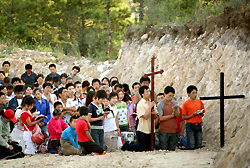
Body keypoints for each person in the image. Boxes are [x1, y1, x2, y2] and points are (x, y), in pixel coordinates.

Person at [157, 86, 180, 151]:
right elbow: (160, 118)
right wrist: (172, 116)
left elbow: (178, 116)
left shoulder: (174, 103)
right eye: (169, 96)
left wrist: (175, 111)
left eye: (172, 96)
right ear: (165, 94)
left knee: (172, 149)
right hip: (164, 130)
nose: (171, 98)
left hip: (173, 130)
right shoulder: (160, 104)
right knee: (164, 148)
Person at [182, 85, 205, 150]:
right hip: (190, 125)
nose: (195, 95)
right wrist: (193, 115)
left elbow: (202, 114)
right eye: (193, 93)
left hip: (198, 124)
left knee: (198, 145)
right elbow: (183, 117)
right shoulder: (185, 104)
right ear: (188, 94)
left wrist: (201, 113)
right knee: (191, 146)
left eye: (196, 93)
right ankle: (182, 140)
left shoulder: (199, 102)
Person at [136, 85, 158, 151]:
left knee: (151, 148)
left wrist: (154, 114)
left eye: (149, 91)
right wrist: (150, 107)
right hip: (143, 129)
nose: (149, 93)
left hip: (151, 129)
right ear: (142, 94)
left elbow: (156, 116)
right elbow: (145, 116)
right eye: (147, 92)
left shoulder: (152, 102)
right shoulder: (140, 104)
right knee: (143, 149)